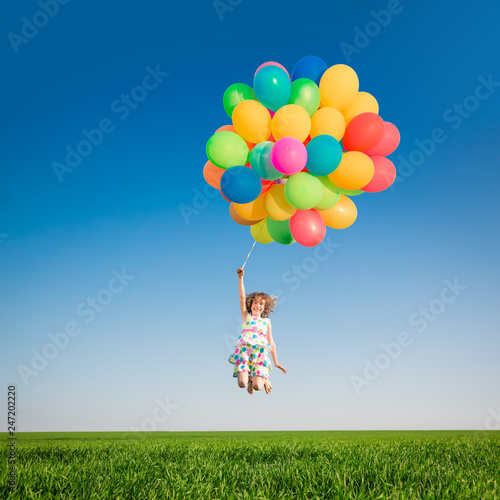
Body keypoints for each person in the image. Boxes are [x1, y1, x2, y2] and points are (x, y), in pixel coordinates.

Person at [228, 267, 287, 395]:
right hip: (244, 353)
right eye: (255, 302)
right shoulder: (246, 316)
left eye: (261, 304)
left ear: (264, 307)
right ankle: (248, 379)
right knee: (242, 384)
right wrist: (240, 278)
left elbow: (271, 343)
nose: (257, 305)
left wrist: (276, 362)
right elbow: (241, 297)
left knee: (257, 386)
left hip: (259, 354)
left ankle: (264, 380)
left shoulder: (267, 322)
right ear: (250, 304)